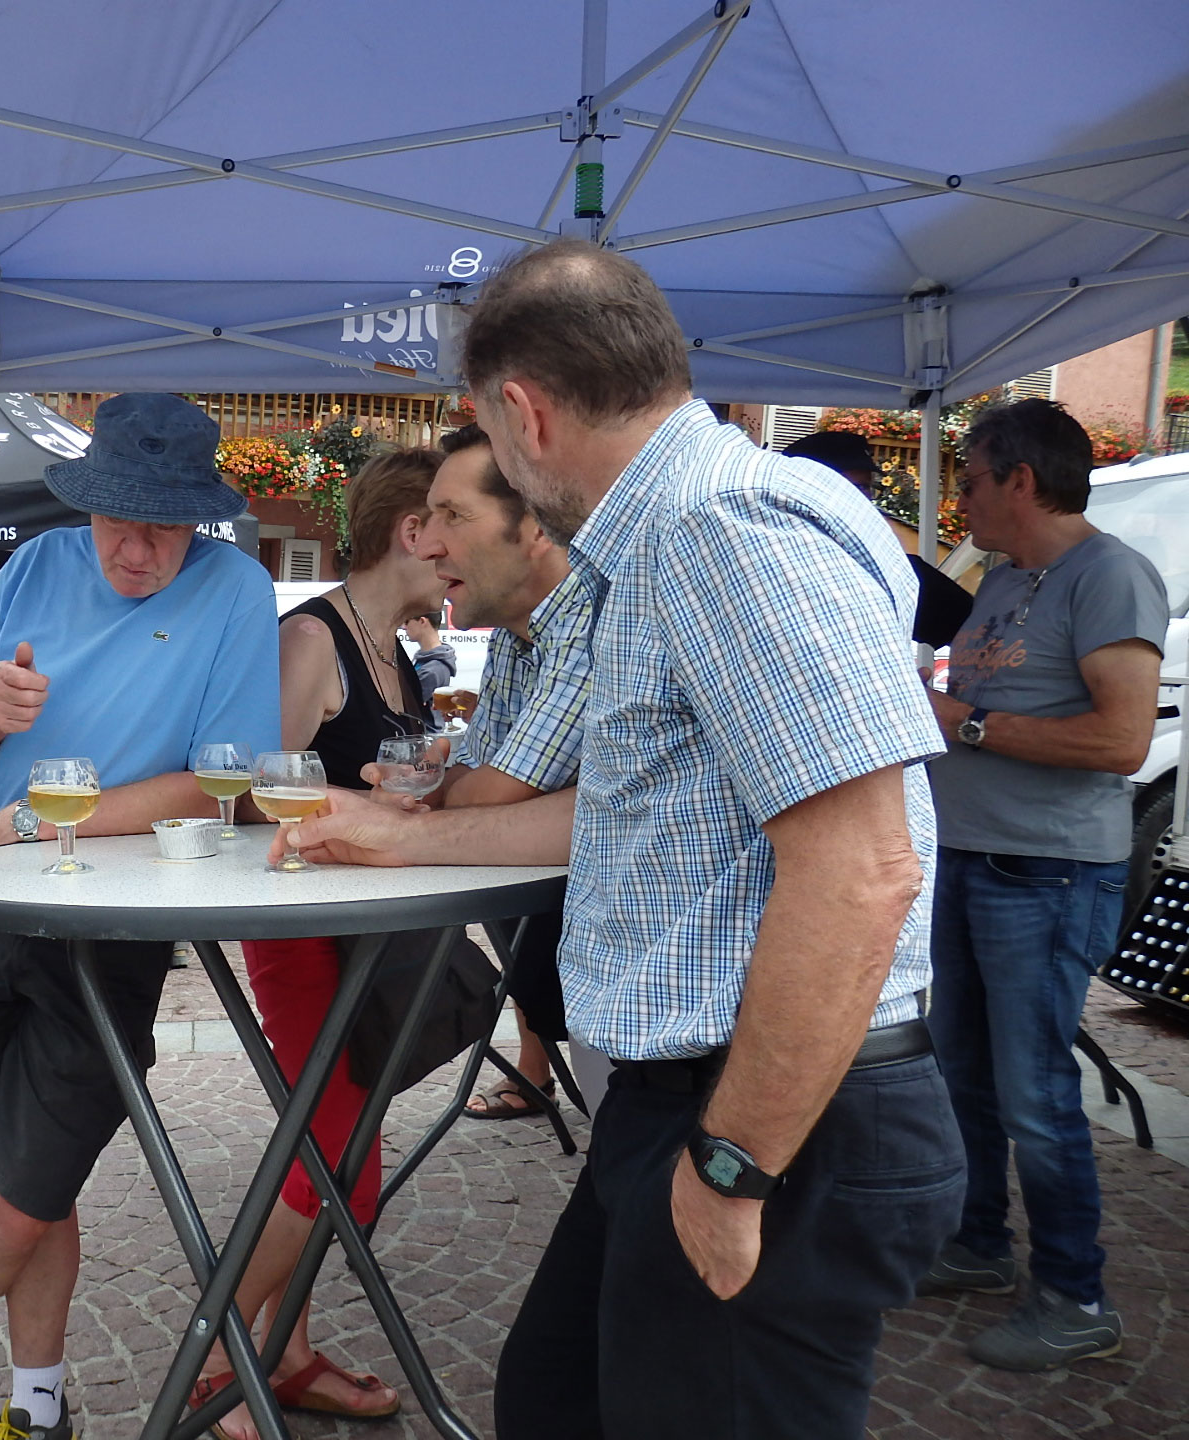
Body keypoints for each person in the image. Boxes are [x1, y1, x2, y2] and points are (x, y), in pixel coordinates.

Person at [284, 239, 963, 1440]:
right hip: (706, 1098)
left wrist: (735, 1164)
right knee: (553, 1399)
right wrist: (398, 841)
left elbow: (864, 871)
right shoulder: (684, 530)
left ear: (526, 414)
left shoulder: (720, 526)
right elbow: (646, 807)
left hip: (771, 1114)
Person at [0, 393, 280, 1440]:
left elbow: (223, 783)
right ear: (87, 502)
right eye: (117, 519)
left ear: (199, 517)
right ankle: (39, 1404)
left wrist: (36, 819)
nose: (137, 549)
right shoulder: (34, 565)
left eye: (165, 526)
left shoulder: (236, 589)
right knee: (31, 1181)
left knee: (25, 1183)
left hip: (111, 922)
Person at [190, 448, 442, 1440]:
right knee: (335, 1155)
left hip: (365, 933)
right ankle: (220, 1359)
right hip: (301, 933)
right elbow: (260, 795)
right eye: (450, 531)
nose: (458, 557)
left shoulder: (391, 649)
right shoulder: (312, 638)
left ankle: (285, 1354)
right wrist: (364, 800)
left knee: (338, 1151)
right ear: (413, 531)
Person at [919, 398, 1166, 1370]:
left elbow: (1122, 741)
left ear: (1021, 480)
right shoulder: (1004, 579)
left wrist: (967, 725)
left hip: (1047, 871)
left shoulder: (1111, 577)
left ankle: (1075, 1294)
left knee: (1034, 1093)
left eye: (972, 481)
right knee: (963, 1072)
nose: (962, 501)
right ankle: (978, 1242)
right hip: (972, 856)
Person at [412, 424, 587, 1121]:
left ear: (537, 526)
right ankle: (535, 1072)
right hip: (581, 956)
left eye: (452, 516)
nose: (426, 544)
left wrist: (423, 793)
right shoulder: (518, 632)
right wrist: (449, 786)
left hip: (674, 1000)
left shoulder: (590, 618)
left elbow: (499, 789)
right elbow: (479, 774)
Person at [782, 429, 975, 647]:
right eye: (850, 487)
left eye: (865, 488)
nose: (861, 500)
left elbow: (979, 634)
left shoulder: (898, 573)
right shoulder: (771, 567)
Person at [401, 611, 455, 728]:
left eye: (407, 621)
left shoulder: (433, 669)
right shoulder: (425, 659)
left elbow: (405, 706)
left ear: (422, 621)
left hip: (425, 733)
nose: (404, 627)